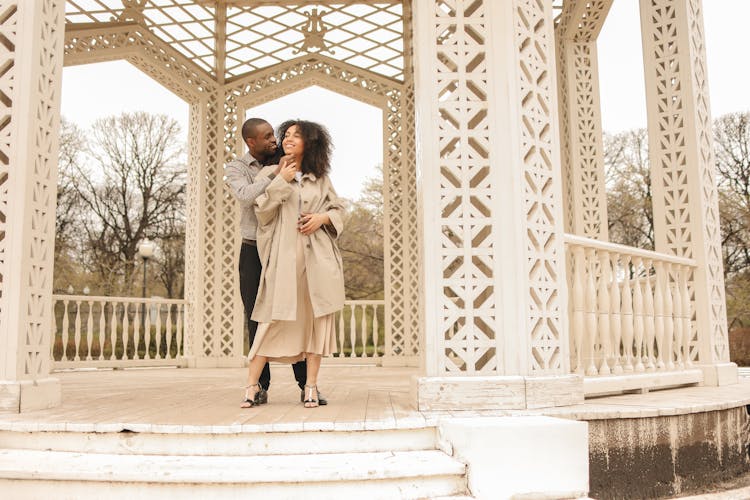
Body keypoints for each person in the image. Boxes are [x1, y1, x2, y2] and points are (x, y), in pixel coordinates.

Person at [241, 119, 345, 409]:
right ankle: (251, 386)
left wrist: (322, 218)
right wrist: (281, 181)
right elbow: (262, 213)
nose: (287, 139)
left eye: (296, 136)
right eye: (285, 135)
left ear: (309, 143)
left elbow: (338, 210)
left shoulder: (321, 178)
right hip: (284, 259)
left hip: (318, 261)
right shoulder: (269, 173)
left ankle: (310, 387)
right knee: (268, 322)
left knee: (316, 324)